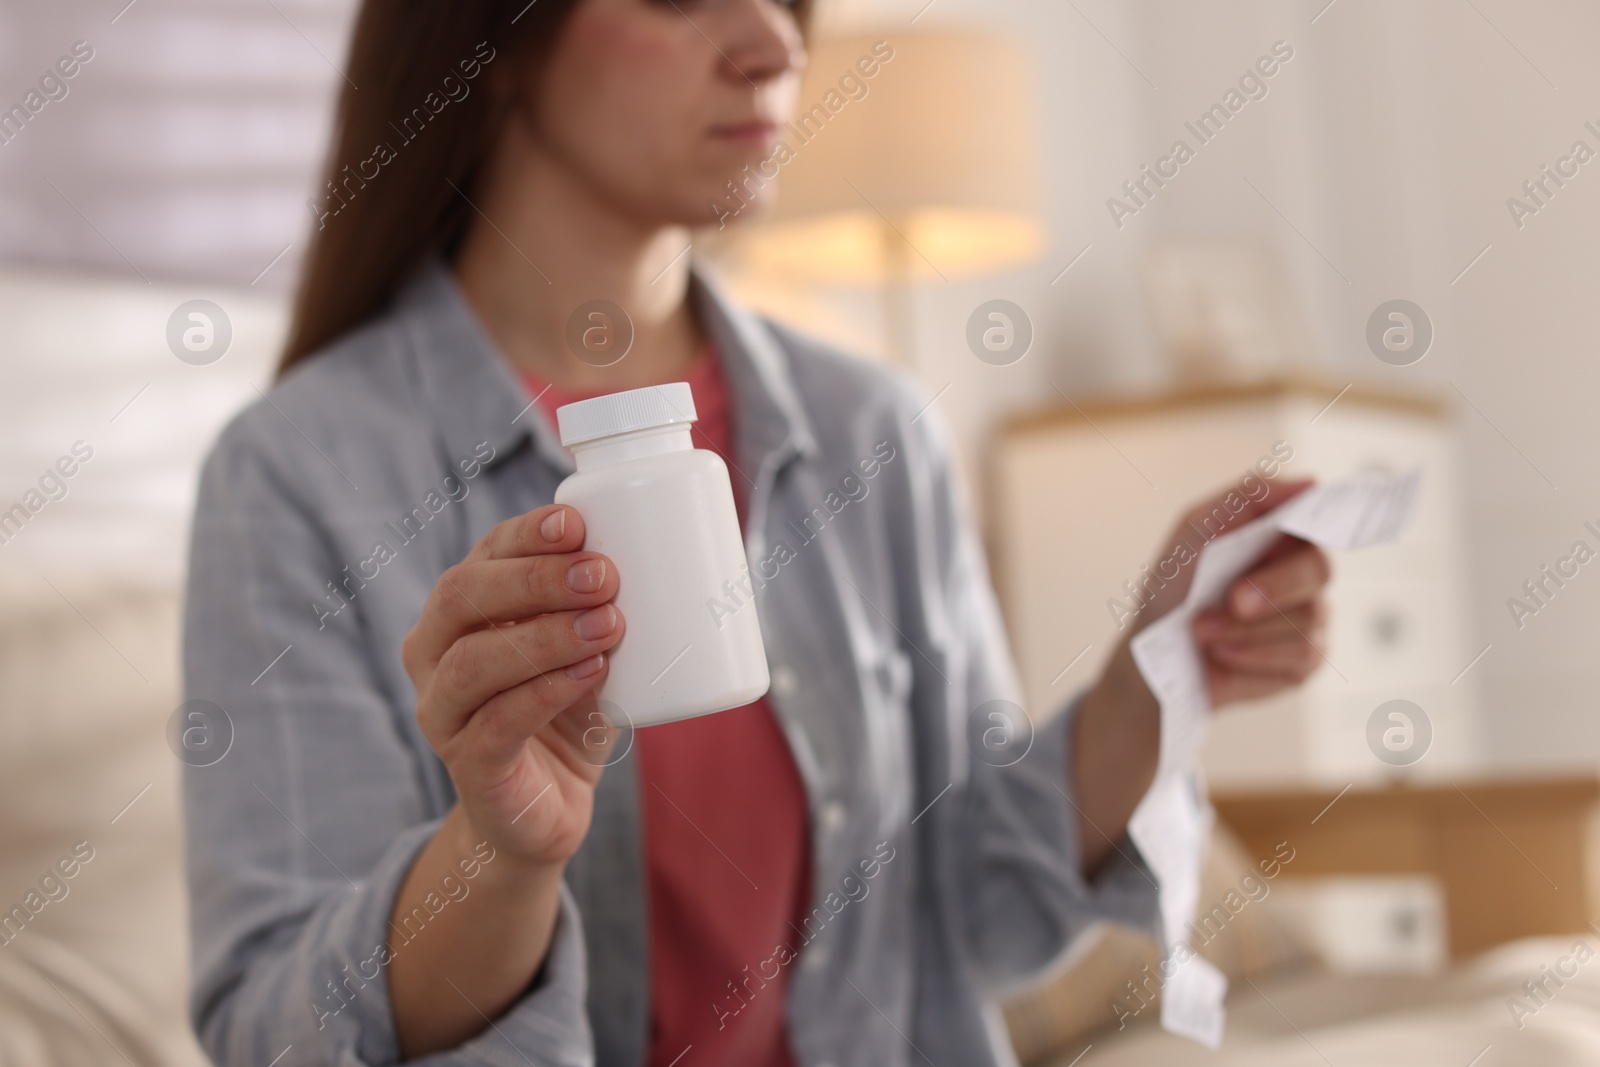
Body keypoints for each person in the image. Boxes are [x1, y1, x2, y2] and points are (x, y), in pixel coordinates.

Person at [180, 1, 1331, 1065]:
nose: (775, 45)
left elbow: (980, 912)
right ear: (503, 41)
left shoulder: (873, 432)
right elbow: (278, 1030)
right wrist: (497, 849)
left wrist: (1153, 670)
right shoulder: (295, 475)